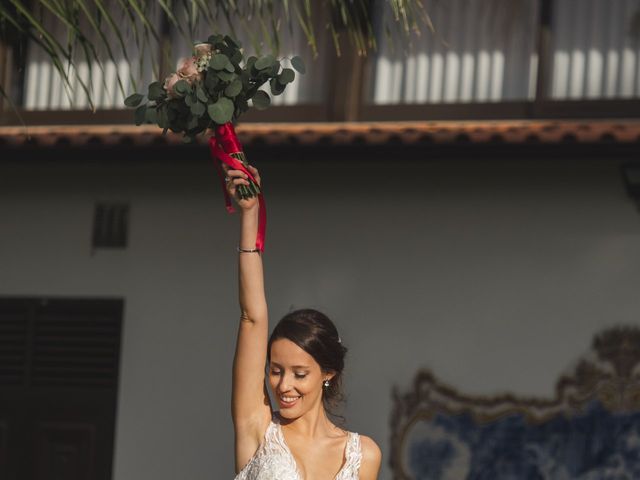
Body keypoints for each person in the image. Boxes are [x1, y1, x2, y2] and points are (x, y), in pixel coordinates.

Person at [224, 164, 382, 479]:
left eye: (299, 374)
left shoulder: (364, 455)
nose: (284, 386)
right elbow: (252, 317)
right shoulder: (256, 426)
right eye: (276, 370)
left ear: (327, 372)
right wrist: (250, 214)